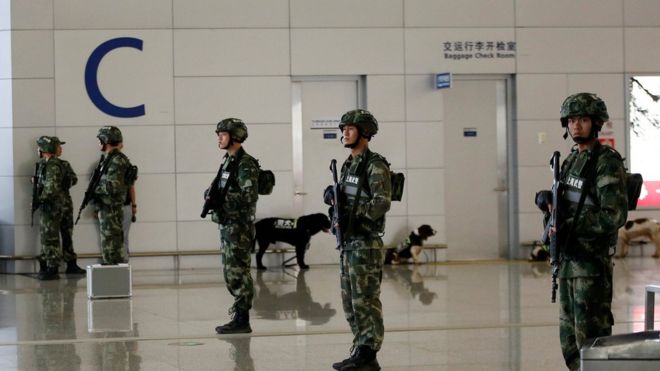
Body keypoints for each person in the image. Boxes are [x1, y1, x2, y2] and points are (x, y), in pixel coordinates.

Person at [536, 93, 628, 370]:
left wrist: (571, 226)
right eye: (572, 120)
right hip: (567, 263)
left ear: (596, 123)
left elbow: (614, 215)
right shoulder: (570, 160)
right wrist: (548, 206)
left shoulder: (605, 162)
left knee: (592, 341)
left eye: (584, 120)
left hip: (591, 266)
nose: (576, 126)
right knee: (569, 341)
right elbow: (565, 208)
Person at [324, 109, 391, 371]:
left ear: (364, 133)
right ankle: (361, 348)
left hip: (366, 243)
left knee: (365, 299)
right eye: (343, 129)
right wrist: (333, 197)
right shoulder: (348, 163)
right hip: (348, 243)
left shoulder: (375, 164)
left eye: (350, 129)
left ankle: (369, 352)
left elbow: (381, 203)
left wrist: (354, 217)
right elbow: (346, 199)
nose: (345, 133)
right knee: (350, 301)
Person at [206, 118, 259, 334]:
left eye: (223, 134)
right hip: (228, 224)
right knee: (231, 272)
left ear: (235, 136)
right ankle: (239, 314)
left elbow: (249, 195)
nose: (219, 137)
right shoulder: (228, 161)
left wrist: (222, 198)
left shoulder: (245, 163)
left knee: (238, 272)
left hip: (239, 226)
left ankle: (242, 318)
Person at [93, 126, 137, 265]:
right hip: (107, 208)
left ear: (106, 141)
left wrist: (96, 190)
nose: (99, 143)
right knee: (109, 241)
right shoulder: (108, 159)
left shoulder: (117, 160)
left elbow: (114, 186)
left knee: (115, 241)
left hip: (113, 209)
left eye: (100, 140)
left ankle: (115, 269)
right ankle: (111, 266)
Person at [34, 136, 67, 280]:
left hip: (51, 206)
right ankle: (48, 264)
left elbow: (51, 188)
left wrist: (39, 200)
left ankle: (53, 267)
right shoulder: (46, 164)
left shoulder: (52, 165)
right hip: (49, 205)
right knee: (47, 236)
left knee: (51, 236)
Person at [54, 137, 86, 275]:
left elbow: (74, 179)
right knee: (51, 236)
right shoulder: (42, 166)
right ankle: (52, 265)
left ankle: (71, 263)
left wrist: (63, 180)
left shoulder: (64, 164)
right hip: (51, 208)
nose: (61, 149)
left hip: (66, 205)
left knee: (67, 234)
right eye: (58, 146)